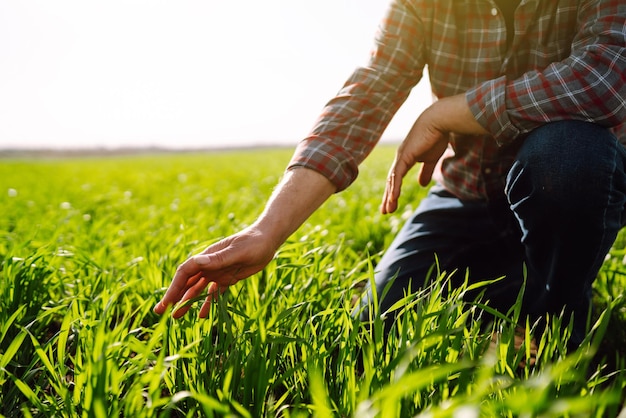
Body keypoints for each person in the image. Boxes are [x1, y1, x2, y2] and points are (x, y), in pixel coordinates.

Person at [154, 0, 626, 348]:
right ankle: (517, 280)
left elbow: (603, 79)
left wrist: (449, 112)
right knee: (372, 334)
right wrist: (267, 230)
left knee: (567, 154)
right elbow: (371, 90)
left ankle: (556, 326)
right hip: (467, 189)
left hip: (567, 178)